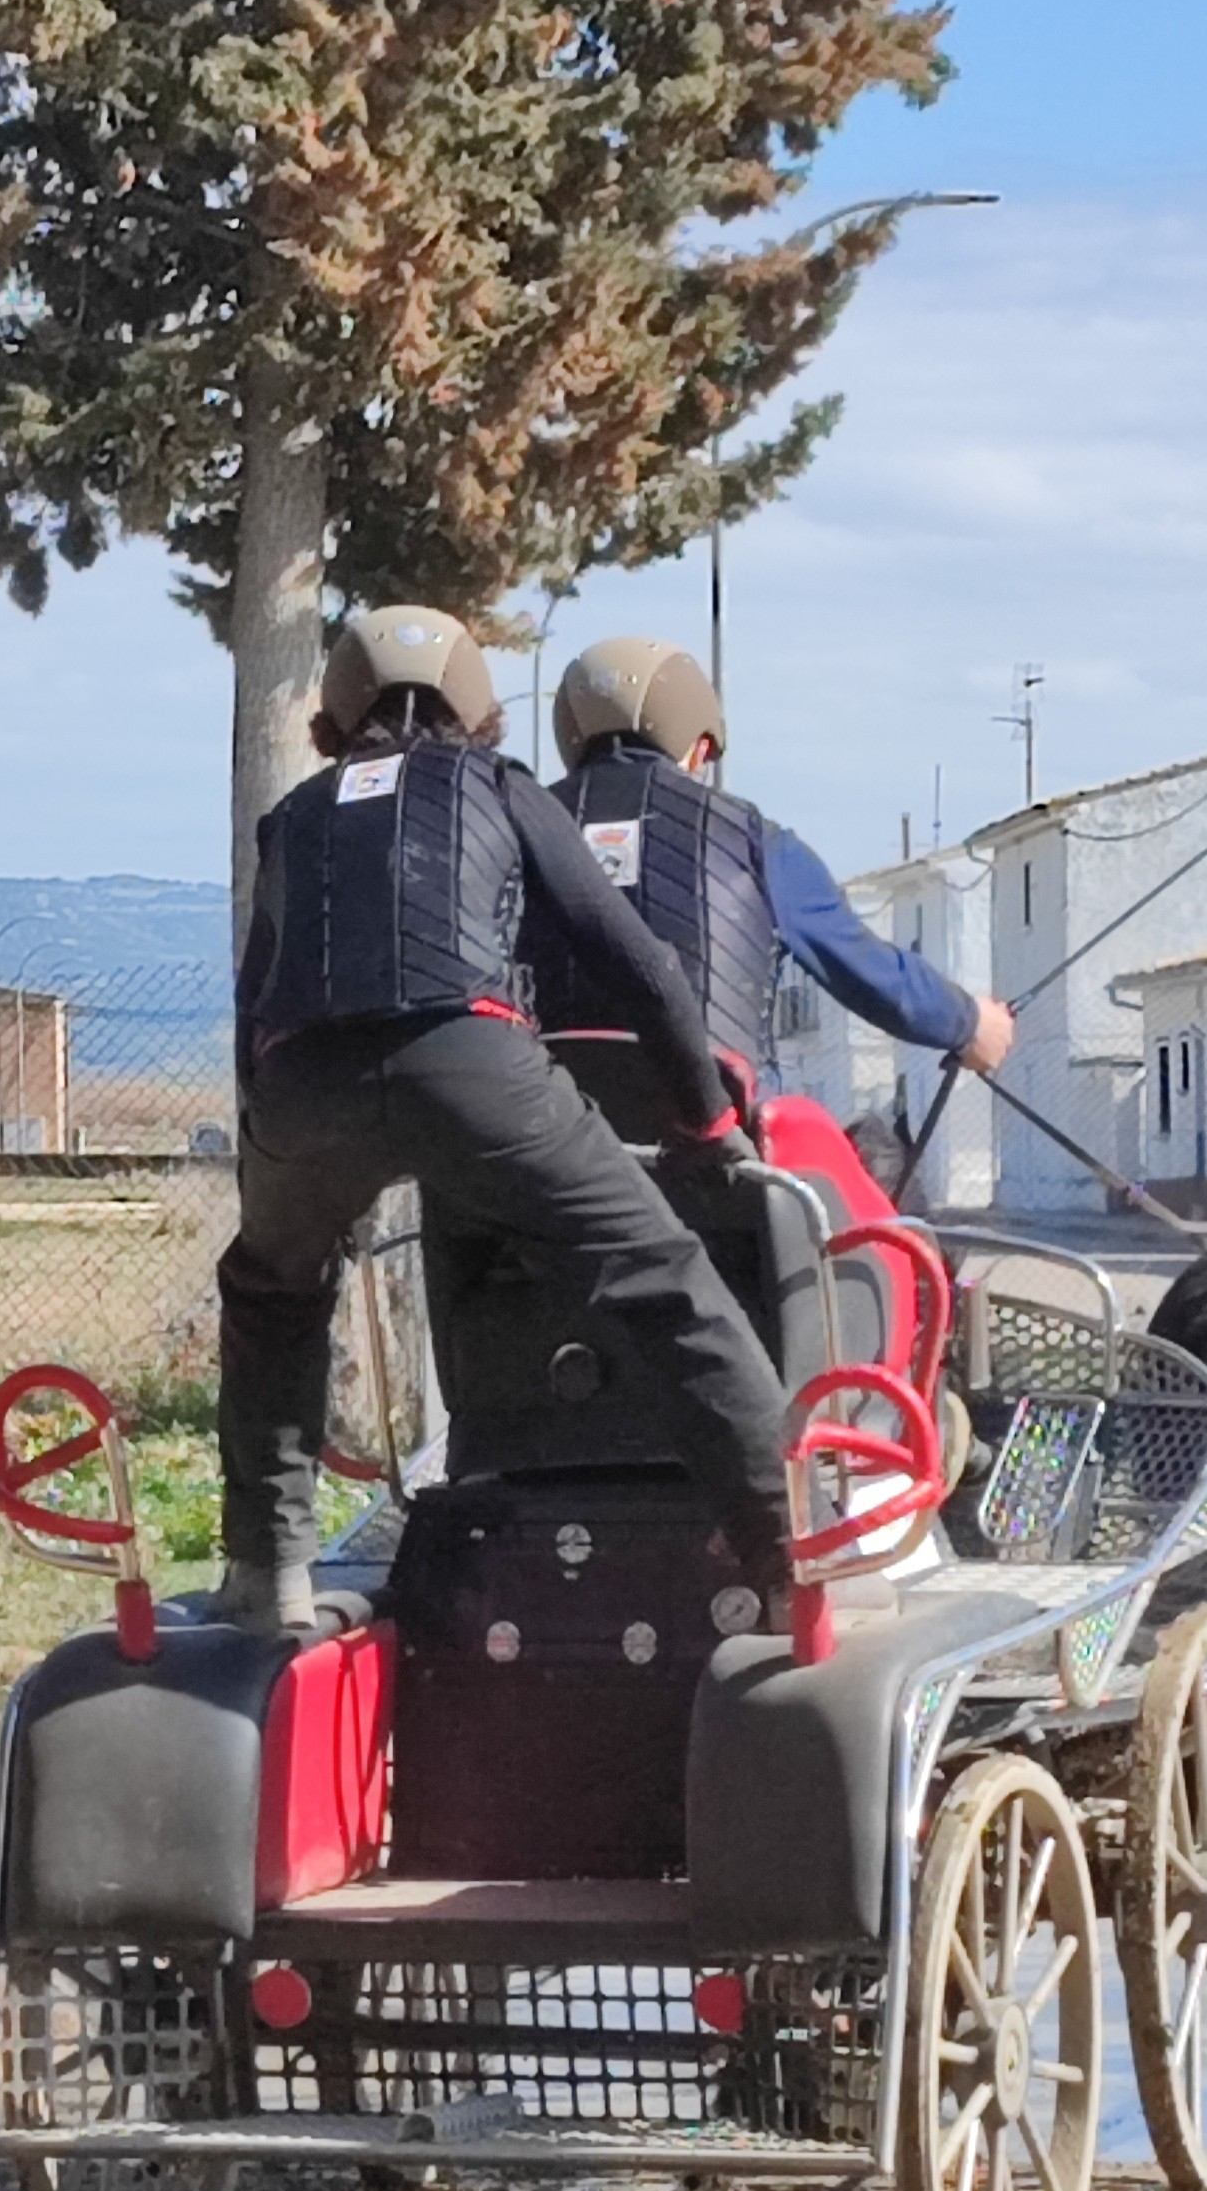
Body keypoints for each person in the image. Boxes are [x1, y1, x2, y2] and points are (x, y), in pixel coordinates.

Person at [214, 605, 792, 1634]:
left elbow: (256, 1001)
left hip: (302, 1078)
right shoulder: (498, 787)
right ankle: (790, 1556)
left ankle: (266, 1571)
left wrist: (282, 1173)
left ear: (323, 733)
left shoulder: (293, 817)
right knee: (661, 1277)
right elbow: (643, 968)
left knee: (269, 1289)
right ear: (484, 722)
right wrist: (704, 1125)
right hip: (468, 1062)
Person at [534, 634, 1016, 1080]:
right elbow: (865, 968)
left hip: (535, 1131)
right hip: (717, 1142)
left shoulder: (514, 825)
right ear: (699, 749)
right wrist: (969, 1023)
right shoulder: (754, 841)